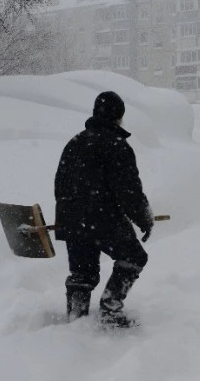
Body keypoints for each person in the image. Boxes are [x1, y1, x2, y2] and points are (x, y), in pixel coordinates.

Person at [54, 91, 154, 328]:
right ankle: (110, 309)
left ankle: (76, 320)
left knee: (83, 272)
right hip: (103, 219)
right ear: (119, 116)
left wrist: (71, 215)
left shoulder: (75, 142)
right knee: (134, 257)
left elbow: (60, 183)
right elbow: (129, 191)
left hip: (72, 219)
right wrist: (144, 219)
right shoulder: (117, 146)